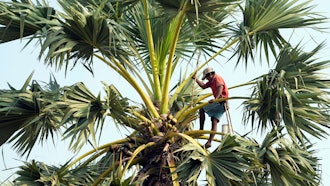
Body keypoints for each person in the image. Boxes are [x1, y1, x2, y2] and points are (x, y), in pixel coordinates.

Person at [192, 67, 229, 148]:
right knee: (214, 120)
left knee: (201, 109)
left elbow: (220, 87)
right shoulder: (211, 81)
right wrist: (195, 79)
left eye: (207, 77)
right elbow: (203, 86)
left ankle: (201, 130)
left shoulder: (217, 78)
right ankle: (209, 142)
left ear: (210, 74)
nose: (207, 79)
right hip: (223, 105)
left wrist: (215, 99)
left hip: (220, 101)